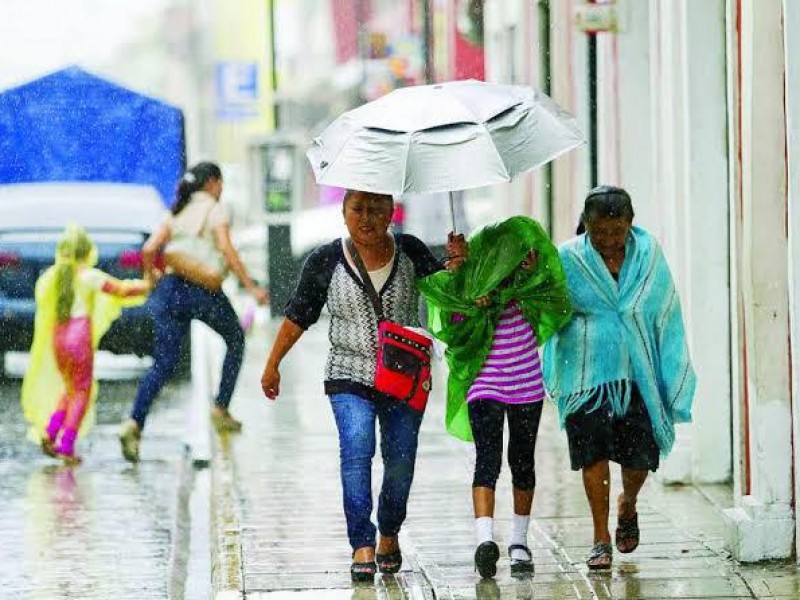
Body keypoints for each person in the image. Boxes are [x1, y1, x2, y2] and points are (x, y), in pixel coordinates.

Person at [260, 189, 462, 583]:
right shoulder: (325, 260)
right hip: (347, 374)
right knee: (356, 448)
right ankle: (361, 543)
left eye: (376, 209)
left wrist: (456, 264)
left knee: (400, 459)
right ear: (343, 212)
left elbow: (447, 295)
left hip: (404, 377)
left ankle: (389, 530)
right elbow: (299, 314)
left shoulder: (410, 250)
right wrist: (272, 363)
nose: (366, 218)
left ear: (391, 212)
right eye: (357, 209)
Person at [542, 185, 696, 570]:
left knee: (639, 456)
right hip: (585, 376)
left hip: (637, 372)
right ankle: (600, 537)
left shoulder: (649, 256)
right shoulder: (567, 259)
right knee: (592, 455)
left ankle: (627, 503)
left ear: (630, 223)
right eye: (600, 233)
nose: (609, 241)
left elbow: (667, 311)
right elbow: (548, 311)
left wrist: (670, 369)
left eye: (617, 231)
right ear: (587, 226)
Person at [418, 216, 572, 579]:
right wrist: (459, 273)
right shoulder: (469, 282)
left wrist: (531, 272)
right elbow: (453, 325)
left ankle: (519, 541)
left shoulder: (528, 286)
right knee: (487, 458)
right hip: (484, 383)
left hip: (527, 386)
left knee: (522, 460)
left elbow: (555, 299)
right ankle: (485, 540)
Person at [119, 161, 268, 463]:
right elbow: (226, 249)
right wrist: (251, 286)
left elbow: (149, 249)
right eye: (220, 184)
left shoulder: (176, 211)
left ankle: (134, 423)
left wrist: (151, 279)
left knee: (162, 364)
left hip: (172, 288)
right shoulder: (214, 208)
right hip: (204, 291)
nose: (222, 189)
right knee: (236, 340)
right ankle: (221, 407)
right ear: (212, 183)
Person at [21, 224, 151, 465]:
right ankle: (66, 445)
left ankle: (50, 433)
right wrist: (149, 284)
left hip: (58, 336)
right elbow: (121, 290)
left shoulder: (56, 278)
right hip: (79, 337)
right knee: (82, 391)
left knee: (69, 388)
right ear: (87, 252)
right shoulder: (89, 276)